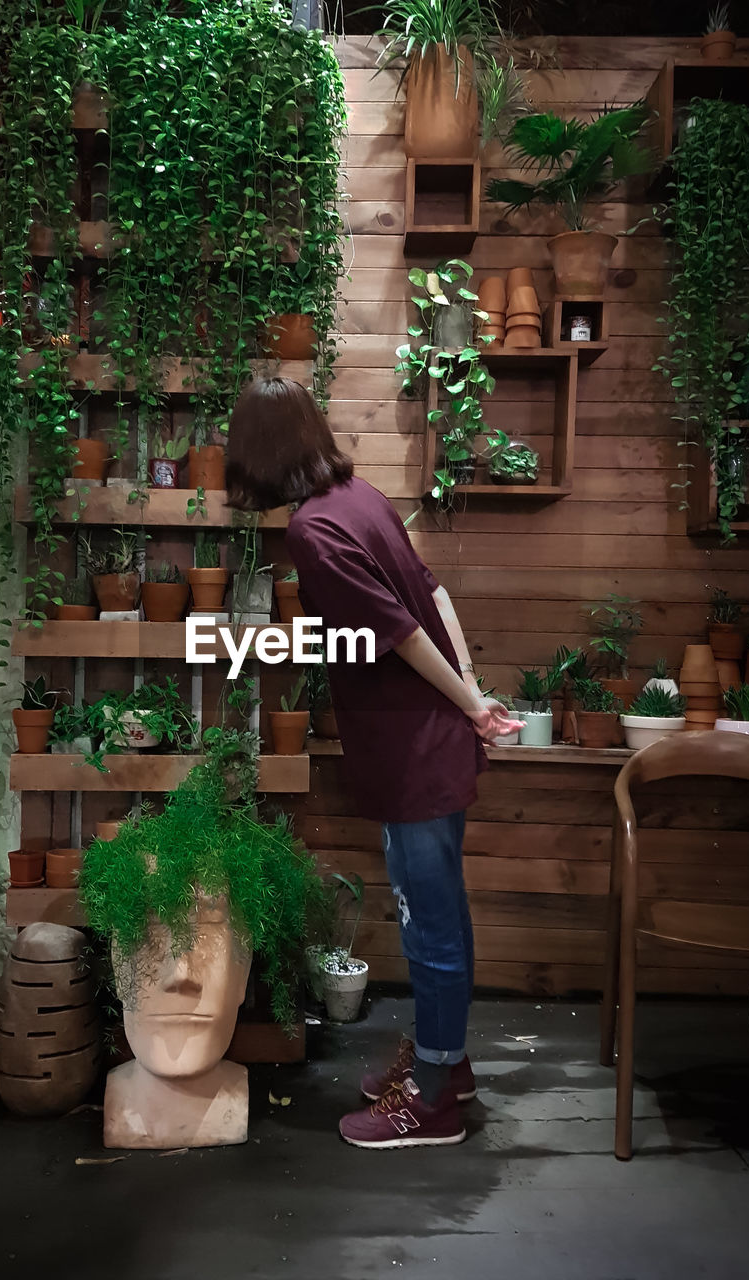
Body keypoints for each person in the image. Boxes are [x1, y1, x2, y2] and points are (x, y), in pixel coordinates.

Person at [226, 376, 523, 1149]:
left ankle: (432, 1104)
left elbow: (399, 630)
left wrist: (465, 702)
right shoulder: (357, 495)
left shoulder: (314, 531)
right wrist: (475, 695)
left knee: (430, 925)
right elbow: (436, 593)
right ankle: (445, 1067)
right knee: (441, 913)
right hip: (433, 738)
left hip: (410, 750)